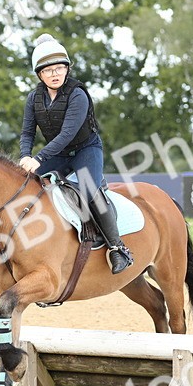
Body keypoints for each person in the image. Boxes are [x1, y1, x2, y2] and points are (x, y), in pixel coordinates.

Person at [18, 33, 134, 275]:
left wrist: (38, 159)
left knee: (89, 190)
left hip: (85, 150)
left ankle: (117, 247)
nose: (55, 73)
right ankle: (13, 250)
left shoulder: (78, 94)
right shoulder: (33, 98)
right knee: (21, 184)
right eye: (49, 70)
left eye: (60, 67)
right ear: (39, 74)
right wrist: (24, 156)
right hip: (58, 154)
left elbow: (67, 134)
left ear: (67, 69)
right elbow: (27, 132)